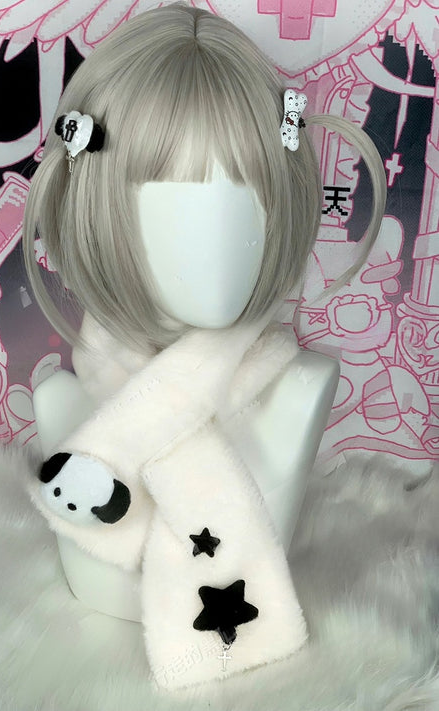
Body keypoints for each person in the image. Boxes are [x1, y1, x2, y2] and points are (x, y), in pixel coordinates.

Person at [22, 2, 386, 688]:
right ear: (102, 209)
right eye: (172, 199)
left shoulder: (301, 385)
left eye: (244, 194)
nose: (217, 238)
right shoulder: (63, 400)